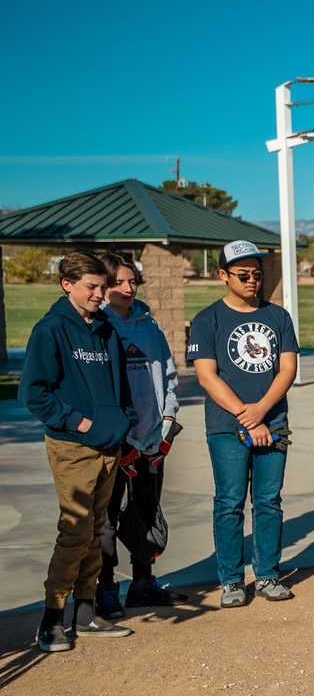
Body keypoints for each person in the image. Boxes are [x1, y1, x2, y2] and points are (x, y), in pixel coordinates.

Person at [22, 252, 137, 650]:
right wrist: (81, 423)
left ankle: (86, 614)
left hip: (109, 445)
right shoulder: (51, 328)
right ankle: (51, 619)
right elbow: (33, 393)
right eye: (92, 287)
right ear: (67, 285)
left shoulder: (106, 327)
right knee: (74, 531)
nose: (101, 294)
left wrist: (123, 421)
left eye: (103, 287)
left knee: (96, 531)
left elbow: (120, 384)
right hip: (73, 447)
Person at [190, 240, 300, 608]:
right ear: (223, 275)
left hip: (273, 422)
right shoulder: (208, 320)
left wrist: (262, 411)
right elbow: (207, 376)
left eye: (257, 274)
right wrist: (245, 414)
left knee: (269, 502)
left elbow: (287, 369)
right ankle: (232, 581)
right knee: (230, 502)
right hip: (226, 426)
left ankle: (268, 574)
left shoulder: (278, 317)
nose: (252, 280)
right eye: (243, 274)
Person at [95, 251, 185, 619]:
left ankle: (142, 583)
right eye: (119, 282)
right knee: (106, 520)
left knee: (146, 513)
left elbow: (168, 375)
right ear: (103, 286)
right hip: (114, 443)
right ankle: (105, 589)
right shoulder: (96, 326)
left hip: (151, 440)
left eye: (133, 281)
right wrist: (117, 435)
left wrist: (167, 417)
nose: (128, 288)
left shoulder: (149, 324)